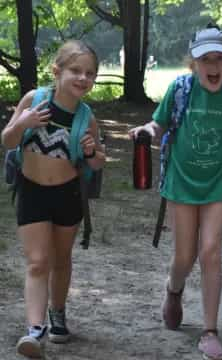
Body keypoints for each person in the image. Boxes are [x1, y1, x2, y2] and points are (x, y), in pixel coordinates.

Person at [129, 25, 222, 360]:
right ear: (193, 63)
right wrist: (146, 130)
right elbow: (160, 124)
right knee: (185, 256)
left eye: (221, 59)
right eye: (206, 59)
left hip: (218, 182)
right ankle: (174, 289)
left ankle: (210, 330)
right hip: (181, 180)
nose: (214, 66)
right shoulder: (180, 88)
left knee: (210, 251)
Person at [1, 40, 105, 358]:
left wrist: (90, 152)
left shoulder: (86, 118)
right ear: (56, 71)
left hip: (67, 194)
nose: (83, 78)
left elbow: (98, 162)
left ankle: (57, 311)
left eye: (90, 73)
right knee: (37, 262)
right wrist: (23, 122)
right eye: (76, 70)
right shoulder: (35, 100)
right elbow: (7, 140)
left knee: (61, 260)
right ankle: (35, 329)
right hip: (31, 191)